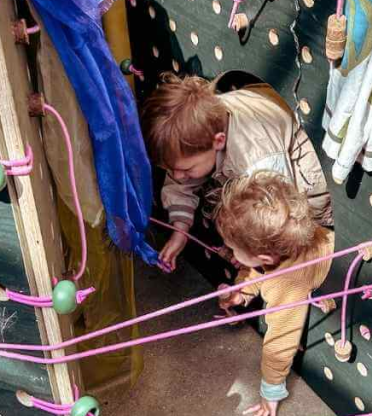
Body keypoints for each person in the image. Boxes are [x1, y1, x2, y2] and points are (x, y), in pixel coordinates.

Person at [141, 73, 333, 269]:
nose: (178, 175)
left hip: (304, 183)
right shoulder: (199, 125)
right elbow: (180, 180)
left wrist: (247, 251)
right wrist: (180, 230)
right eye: (170, 169)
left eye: (185, 169)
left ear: (218, 140)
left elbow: (278, 218)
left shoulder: (258, 158)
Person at [214, 172, 334, 416]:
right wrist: (240, 293)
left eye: (233, 249)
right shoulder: (281, 241)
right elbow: (257, 270)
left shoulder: (286, 283)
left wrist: (271, 391)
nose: (230, 253)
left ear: (264, 256)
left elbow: (281, 339)